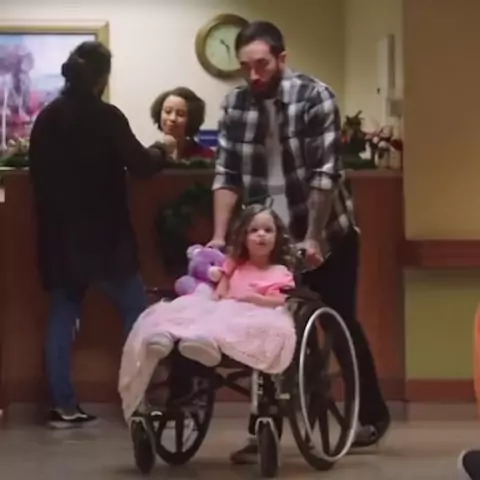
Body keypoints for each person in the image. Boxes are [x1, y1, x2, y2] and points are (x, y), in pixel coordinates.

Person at [207, 20, 391, 464]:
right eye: (246, 67)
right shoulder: (235, 105)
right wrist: (219, 236)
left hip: (324, 230)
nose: (254, 75)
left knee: (339, 320)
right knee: (262, 325)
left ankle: (371, 414)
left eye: (262, 65)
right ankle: (264, 426)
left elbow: (325, 174)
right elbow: (226, 175)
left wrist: (311, 238)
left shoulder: (314, 96)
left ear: (282, 59)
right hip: (265, 236)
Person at [29, 41, 170, 429]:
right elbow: (141, 165)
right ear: (102, 78)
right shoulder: (106, 117)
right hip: (106, 238)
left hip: (60, 238)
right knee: (136, 314)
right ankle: (138, 400)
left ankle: (63, 405)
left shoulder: (47, 118)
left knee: (63, 316)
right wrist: (162, 151)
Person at [118, 205, 297, 421]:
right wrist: (218, 300)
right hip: (227, 307)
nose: (261, 235)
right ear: (243, 236)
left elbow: (280, 300)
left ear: (277, 237)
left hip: (258, 311)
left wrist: (255, 299)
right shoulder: (234, 265)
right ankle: (168, 338)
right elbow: (220, 293)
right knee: (193, 311)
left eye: (268, 230)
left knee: (258, 325)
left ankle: (206, 344)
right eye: (254, 230)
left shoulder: (279, 272)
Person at [149, 86, 214, 162]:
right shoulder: (151, 155)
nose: (172, 118)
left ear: (192, 119)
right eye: (168, 111)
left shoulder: (206, 157)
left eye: (180, 114)